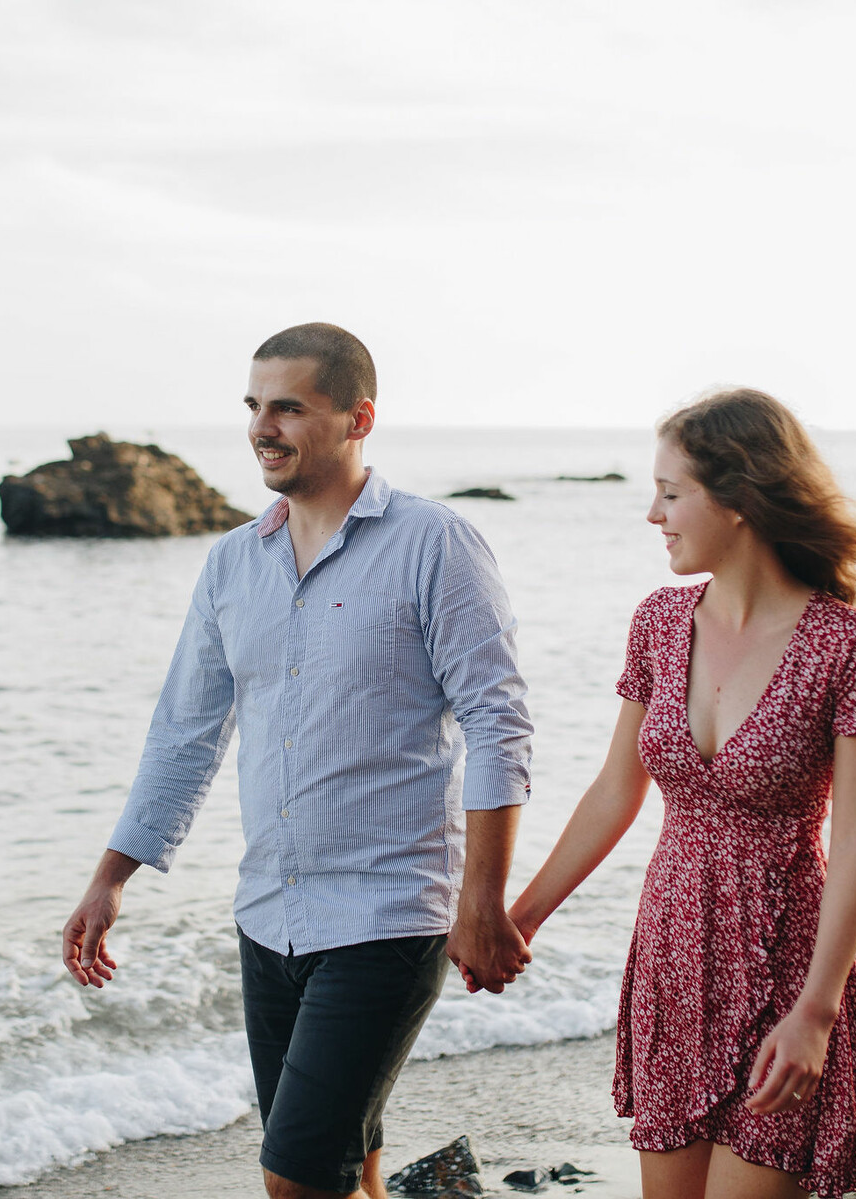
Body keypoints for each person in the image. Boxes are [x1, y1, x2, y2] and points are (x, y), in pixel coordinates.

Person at [62, 323, 535, 1199]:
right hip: (268, 916)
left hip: (389, 915)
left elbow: (498, 724)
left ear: (358, 418)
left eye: (288, 406)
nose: (260, 427)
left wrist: (483, 903)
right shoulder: (232, 564)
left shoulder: (436, 544)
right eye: (253, 405)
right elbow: (184, 733)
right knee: (350, 1168)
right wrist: (112, 875)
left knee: (292, 1178)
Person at [507, 388, 856, 1199]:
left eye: (670, 492)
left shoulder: (846, 643)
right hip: (673, 960)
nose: (652, 514)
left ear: (737, 497)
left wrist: (817, 1011)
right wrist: (521, 915)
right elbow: (613, 792)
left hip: (788, 967)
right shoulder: (659, 622)